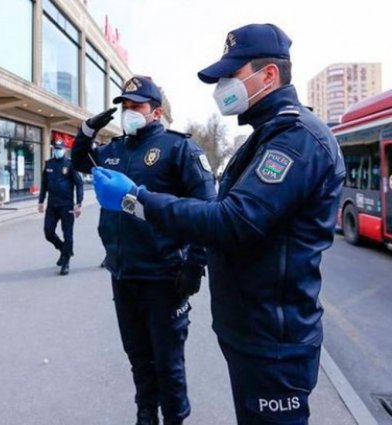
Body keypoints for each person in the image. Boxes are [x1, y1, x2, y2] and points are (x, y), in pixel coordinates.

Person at [91, 24, 346, 425]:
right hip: (249, 329)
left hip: (273, 340)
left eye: (231, 75)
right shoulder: (264, 137)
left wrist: (137, 200)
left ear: (269, 75)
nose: (223, 86)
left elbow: (230, 220)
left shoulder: (296, 138)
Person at [72, 76, 216, 425]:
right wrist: (87, 131)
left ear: (156, 112)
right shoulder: (115, 149)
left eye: (136, 106)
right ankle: (146, 415)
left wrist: (194, 266)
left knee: (167, 362)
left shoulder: (179, 149)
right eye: (125, 106)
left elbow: (206, 208)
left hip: (164, 276)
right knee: (138, 356)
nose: (128, 112)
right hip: (124, 273)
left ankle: (175, 419)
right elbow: (80, 162)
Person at [38, 139, 84, 275]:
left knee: (67, 233)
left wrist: (79, 203)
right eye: (56, 148)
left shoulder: (70, 164)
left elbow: (79, 184)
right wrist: (41, 201)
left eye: (60, 149)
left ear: (64, 149)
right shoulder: (49, 164)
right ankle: (64, 250)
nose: (57, 151)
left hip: (66, 205)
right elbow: (44, 184)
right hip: (52, 205)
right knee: (48, 232)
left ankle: (66, 263)